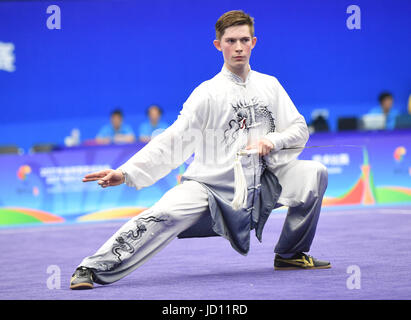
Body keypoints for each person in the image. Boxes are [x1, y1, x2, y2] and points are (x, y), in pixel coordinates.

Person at [70, 10, 330, 290]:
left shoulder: (270, 85)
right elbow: (174, 139)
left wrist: (273, 141)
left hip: (263, 182)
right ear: (218, 45)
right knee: (161, 215)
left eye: (244, 40)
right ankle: (91, 267)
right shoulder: (206, 93)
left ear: (254, 42)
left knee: (314, 173)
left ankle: (291, 254)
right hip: (210, 187)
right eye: (231, 41)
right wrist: (126, 173)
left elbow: (299, 129)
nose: (239, 47)